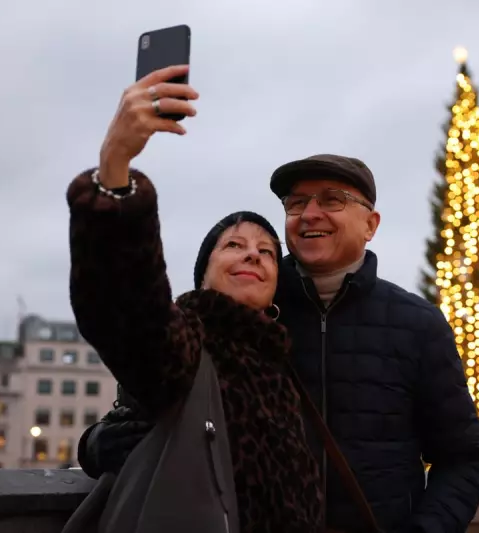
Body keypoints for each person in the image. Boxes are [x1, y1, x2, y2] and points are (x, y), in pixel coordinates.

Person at [79, 78, 479, 532]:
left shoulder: (417, 324)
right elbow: (140, 341)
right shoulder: (247, 314)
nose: (310, 213)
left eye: (332, 200)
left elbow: (463, 458)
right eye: (297, 203)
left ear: (371, 224)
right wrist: (104, 443)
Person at [66, 64, 322, 533]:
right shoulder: (185, 345)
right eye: (233, 245)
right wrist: (115, 170)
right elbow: (124, 307)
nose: (253, 255)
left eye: (267, 251)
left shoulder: (282, 364)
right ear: (203, 276)